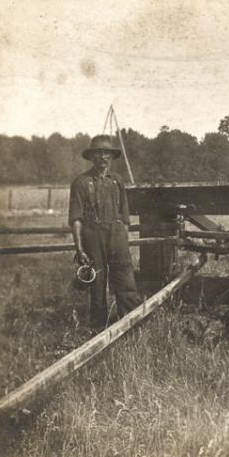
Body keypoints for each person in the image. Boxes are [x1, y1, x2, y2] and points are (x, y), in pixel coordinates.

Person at [68, 134, 142, 329]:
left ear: (112, 157)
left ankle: (131, 325)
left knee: (125, 281)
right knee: (97, 284)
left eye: (107, 153)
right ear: (92, 156)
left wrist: (123, 242)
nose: (103, 157)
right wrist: (80, 249)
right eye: (98, 153)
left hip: (116, 235)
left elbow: (125, 217)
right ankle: (98, 330)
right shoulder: (81, 182)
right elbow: (76, 219)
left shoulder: (117, 181)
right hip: (93, 236)